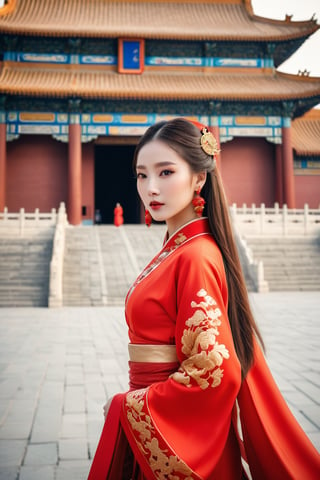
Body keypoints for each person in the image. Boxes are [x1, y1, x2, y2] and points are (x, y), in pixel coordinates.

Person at [88, 118, 319, 479]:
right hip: (161, 423)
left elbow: (216, 368)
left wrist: (129, 406)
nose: (151, 188)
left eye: (166, 172)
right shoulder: (179, 249)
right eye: (141, 175)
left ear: (199, 178)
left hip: (172, 429)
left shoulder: (195, 255)